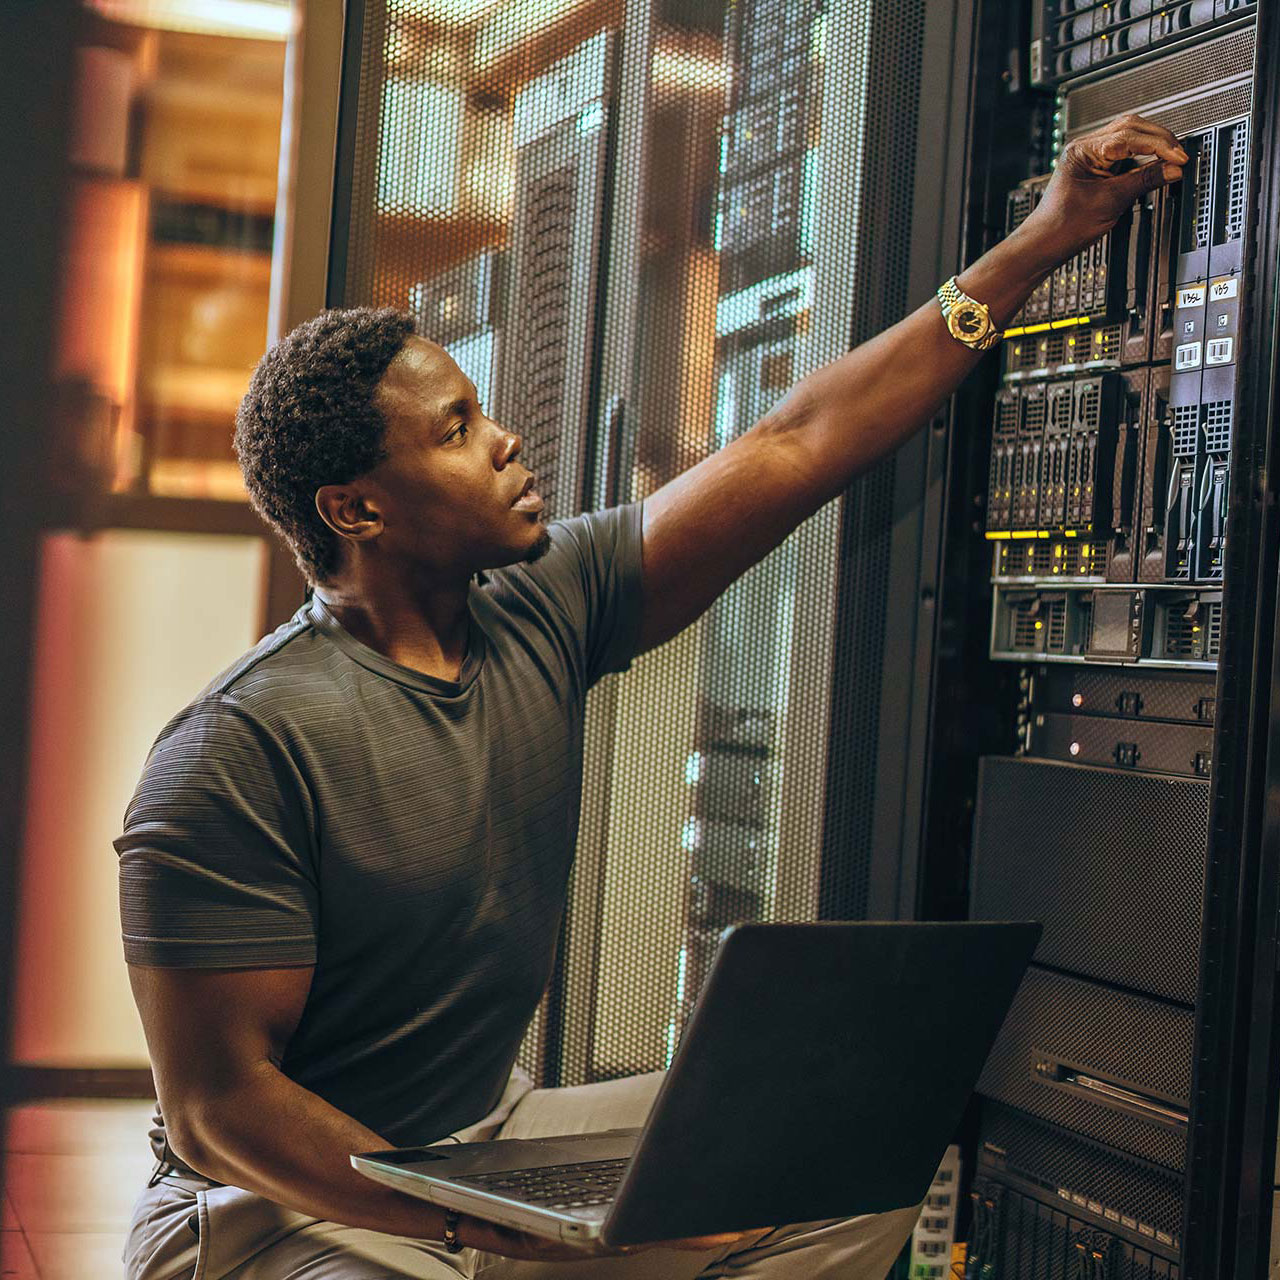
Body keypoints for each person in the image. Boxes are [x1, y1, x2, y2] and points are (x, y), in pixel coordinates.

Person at [118, 114, 1186, 1280]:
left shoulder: (543, 604)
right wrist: (492, 1223)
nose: (508, 442)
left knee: (835, 1162)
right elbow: (226, 1110)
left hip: (478, 1143)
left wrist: (1045, 234)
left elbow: (796, 439)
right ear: (354, 510)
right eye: (459, 430)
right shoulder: (237, 749)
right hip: (281, 1211)